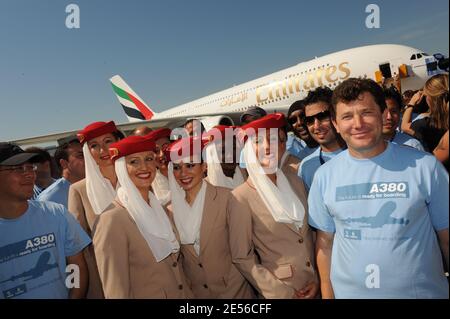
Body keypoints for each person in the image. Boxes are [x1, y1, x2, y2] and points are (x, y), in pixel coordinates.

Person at [309, 78, 449, 298]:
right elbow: (325, 244)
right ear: (336, 124)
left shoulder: (426, 167)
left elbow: (446, 236)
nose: (357, 123)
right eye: (347, 116)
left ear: (384, 114)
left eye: (366, 112)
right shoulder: (323, 177)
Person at [227, 113, 319, 299]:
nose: (267, 147)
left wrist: (317, 278)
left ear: (283, 145)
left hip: (313, 286)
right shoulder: (240, 197)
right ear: (249, 149)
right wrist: (281, 292)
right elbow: (242, 257)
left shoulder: (296, 181)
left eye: (274, 140)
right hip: (280, 291)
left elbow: (312, 234)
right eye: (258, 141)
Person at [93, 135, 192, 298]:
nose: (144, 167)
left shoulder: (160, 210)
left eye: (148, 159)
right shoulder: (110, 220)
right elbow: (117, 291)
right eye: (134, 162)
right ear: (121, 168)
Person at [165, 136, 254, 298]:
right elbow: (179, 264)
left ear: (204, 166)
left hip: (236, 294)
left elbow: (243, 254)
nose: (183, 173)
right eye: (177, 168)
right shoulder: (170, 211)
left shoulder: (229, 198)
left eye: (190, 165)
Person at [0, 142, 90, 299]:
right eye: (18, 169)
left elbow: (76, 265)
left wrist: (75, 296)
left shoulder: (56, 213)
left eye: (30, 167)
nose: (29, 174)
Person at [68, 121, 124, 298]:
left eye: (108, 141)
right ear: (87, 152)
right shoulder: (78, 191)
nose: (102, 150)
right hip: (109, 279)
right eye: (94, 146)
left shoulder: (139, 180)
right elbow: (80, 251)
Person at [298, 87, 347, 191]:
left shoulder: (364, 152)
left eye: (322, 116)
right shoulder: (306, 166)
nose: (316, 126)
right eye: (309, 120)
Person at [401, 74, 448, 152]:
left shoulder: (426, 125)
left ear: (431, 100)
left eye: (427, 96)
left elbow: (404, 126)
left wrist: (412, 103)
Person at [37, 135, 85, 208]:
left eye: (87, 154)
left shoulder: (98, 186)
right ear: (64, 163)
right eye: (81, 156)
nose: (88, 159)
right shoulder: (48, 200)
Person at [381, 87, 424, 151]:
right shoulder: (363, 147)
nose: (389, 117)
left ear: (400, 112)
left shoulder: (413, 146)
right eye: (382, 111)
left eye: (394, 111)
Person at [203, 125, 245, 189]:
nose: (230, 156)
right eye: (223, 151)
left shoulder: (245, 175)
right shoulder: (204, 187)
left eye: (233, 148)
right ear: (212, 155)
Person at [146, 128, 172, 205]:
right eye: (156, 151)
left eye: (166, 147)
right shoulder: (148, 182)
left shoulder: (187, 173)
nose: (162, 154)